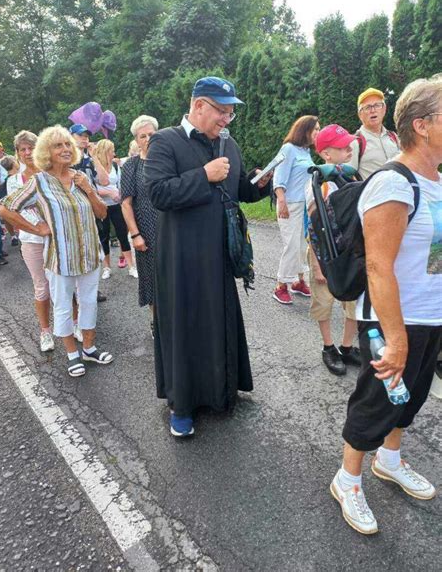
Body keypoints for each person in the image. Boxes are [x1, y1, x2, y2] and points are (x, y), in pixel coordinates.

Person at [331, 76, 442, 535]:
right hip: (392, 318)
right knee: (376, 402)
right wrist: (394, 338)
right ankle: (348, 478)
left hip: (431, 314)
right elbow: (378, 267)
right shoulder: (392, 184)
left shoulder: (437, 180)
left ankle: (390, 460)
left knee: (410, 399)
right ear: (422, 125)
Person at [144, 76, 272, 437]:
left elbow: (238, 190)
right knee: (185, 329)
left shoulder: (228, 145)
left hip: (218, 257)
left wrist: (257, 184)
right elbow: (158, 193)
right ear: (199, 105)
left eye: (231, 113)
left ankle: (221, 392)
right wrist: (204, 175)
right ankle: (182, 406)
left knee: (219, 322)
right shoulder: (165, 141)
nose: (226, 120)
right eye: (222, 111)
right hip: (182, 260)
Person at [0, 125, 113, 377]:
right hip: (60, 258)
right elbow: (5, 209)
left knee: (88, 302)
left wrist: (89, 189)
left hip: (90, 256)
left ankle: (89, 348)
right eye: (57, 145)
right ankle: (72, 354)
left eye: (67, 145)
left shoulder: (80, 177)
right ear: (46, 152)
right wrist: (36, 228)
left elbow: (102, 213)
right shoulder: (39, 182)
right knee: (62, 305)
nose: (64, 149)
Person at [306, 125, 361, 375]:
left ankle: (347, 346)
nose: (350, 149)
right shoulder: (319, 185)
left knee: (353, 300)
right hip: (324, 253)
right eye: (343, 146)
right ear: (326, 154)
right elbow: (313, 229)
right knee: (324, 300)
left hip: (349, 252)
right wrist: (317, 265)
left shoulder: (350, 178)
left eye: (350, 144)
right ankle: (328, 346)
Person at [4, 130, 55, 351]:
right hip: (31, 240)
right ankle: (45, 332)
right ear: (17, 153)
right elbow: (12, 212)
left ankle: (73, 324)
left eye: (30, 148)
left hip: (56, 238)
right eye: (22, 149)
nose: (26, 152)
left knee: (64, 283)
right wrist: (37, 229)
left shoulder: (50, 174)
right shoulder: (14, 181)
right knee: (42, 287)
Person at [272, 115, 319, 305]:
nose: (318, 132)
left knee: (301, 245)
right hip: (289, 204)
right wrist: (281, 200)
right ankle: (280, 285)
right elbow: (279, 176)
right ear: (304, 130)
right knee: (291, 245)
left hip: (304, 204)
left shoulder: (305, 151)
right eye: (315, 129)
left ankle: (299, 282)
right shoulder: (288, 149)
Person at [121, 115, 159, 337]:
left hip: (171, 230)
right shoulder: (131, 167)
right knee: (152, 279)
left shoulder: (169, 161)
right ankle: (156, 322)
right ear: (136, 139)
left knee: (175, 277)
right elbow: (126, 204)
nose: (147, 139)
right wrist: (135, 235)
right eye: (142, 136)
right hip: (145, 231)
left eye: (151, 134)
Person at [70, 123, 108, 302]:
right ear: (71, 137)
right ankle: (76, 291)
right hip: (73, 213)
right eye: (80, 135)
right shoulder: (66, 160)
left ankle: (93, 289)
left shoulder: (88, 160)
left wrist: (95, 157)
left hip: (92, 209)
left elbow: (104, 181)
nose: (85, 138)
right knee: (76, 250)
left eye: (86, 135)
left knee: (94, 250)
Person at [94, 139, 137, 279]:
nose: (114, 153)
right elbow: (91, 189)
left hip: (116, 205)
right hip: (101, 206)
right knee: (104, 236)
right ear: (105, 151)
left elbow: (119, 183)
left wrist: (120, 194)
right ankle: (107, 267)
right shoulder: (93, 166)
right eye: (111, 150)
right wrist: (108, 193)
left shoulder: (115, 166)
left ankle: (131, 266)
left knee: (122, 234)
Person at [348, 88, 400, 180]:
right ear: (360, 114)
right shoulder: (355, 142)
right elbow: (348, 177)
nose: (373, 110)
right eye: (368, 107)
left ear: (384, 109)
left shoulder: (394, 137)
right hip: (373, 193)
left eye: (377, 105)